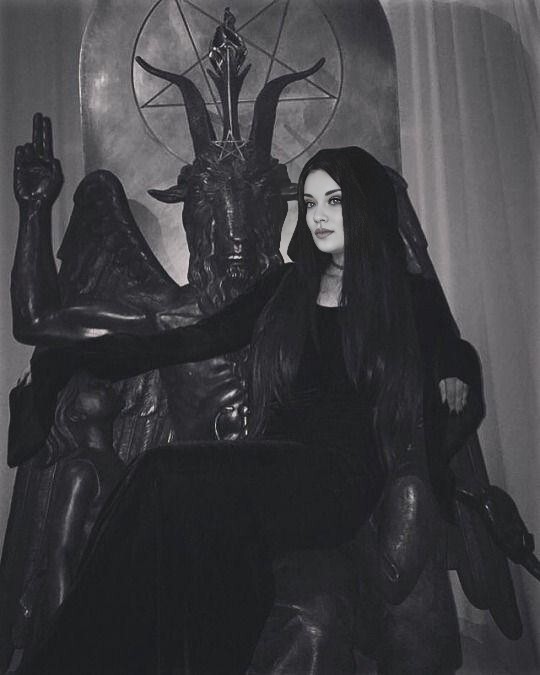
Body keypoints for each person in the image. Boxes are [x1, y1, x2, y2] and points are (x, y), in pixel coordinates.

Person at [13, 115, 476, 674]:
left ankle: (66, 662)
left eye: (334, 201)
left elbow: (453, 351)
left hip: (340, 481)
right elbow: (193, 340)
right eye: (310, 203)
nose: (319, 216)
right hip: (274, 465)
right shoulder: (288, 287)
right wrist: (73, 359)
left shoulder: (406, 295)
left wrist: (454, 370)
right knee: (201, 542)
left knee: (162, 473)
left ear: (365, 206)